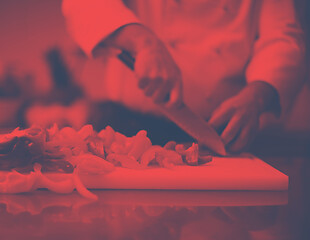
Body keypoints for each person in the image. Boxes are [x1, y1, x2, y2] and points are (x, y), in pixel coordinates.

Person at [61, 0, 306, 152]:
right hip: (126, 131)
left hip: (224, 133)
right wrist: (143, 42)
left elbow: (283, 39)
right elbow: (84, 3)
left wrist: (256, 96)